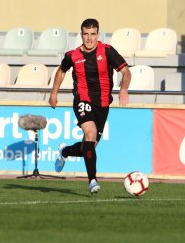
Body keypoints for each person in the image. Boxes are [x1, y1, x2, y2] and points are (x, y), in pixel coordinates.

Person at [49, 18, 131, 194]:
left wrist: (123, 89)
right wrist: (54, 93)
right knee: (90, 133)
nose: (89, 39)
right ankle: (92, 180)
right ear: (81, 35)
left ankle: (65, 151)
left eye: (93, 34)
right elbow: (61, 71)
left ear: (98, 35)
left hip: (102, 104)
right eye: (86, 34)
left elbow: (126, 71)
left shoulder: (107, 51)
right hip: (82, 100)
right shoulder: (73, 55)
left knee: (89, 147)